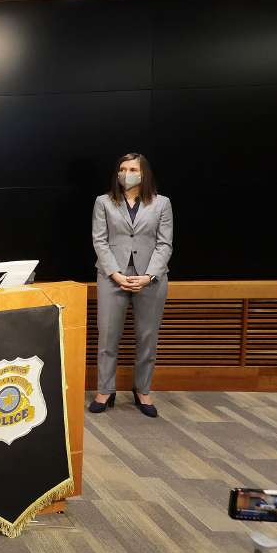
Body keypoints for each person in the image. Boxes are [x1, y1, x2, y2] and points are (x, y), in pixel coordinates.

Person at [90, 153, 173, 418]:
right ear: (117, 175)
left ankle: (143, 390)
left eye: (133, 169)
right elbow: (100, 241)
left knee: (147, 337)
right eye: (123, 169)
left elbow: (164, 244)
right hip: (112, 277)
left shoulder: (162, 204)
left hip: (150, 279)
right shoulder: (103, 202)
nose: (127, 173)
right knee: (107, 337)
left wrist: (149, 276)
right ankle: (105, 390)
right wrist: (115, 273)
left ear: (144, 173)